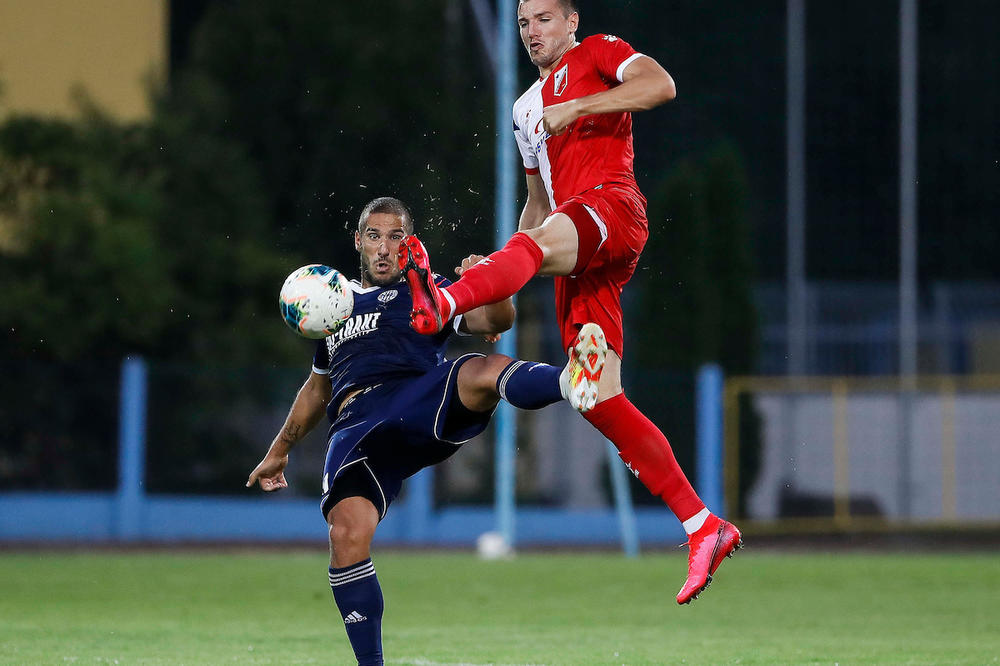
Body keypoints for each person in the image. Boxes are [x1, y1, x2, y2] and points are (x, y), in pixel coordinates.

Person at [400, 0, 741, 604]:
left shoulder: (599, 52)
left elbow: (661, 86)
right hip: (575, 245)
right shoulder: (524, 109)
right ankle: (702, 525)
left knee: (528, 254)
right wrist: (498, 272)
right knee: (597, 397)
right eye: (524, 22)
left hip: (611, 207)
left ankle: (443, 303)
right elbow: (537, 208)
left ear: (572, 21)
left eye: (544, 19)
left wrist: (579, 106)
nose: (532, 32)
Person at [247, 197, 572, 666]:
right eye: (374, 236)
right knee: (346, 535)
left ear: (409, 243)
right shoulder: (333, 307)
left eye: (395, 237)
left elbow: (496, 321)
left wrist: (491, 286)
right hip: (356, 428)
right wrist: (279, 449)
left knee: (480, 370)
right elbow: (317, 390)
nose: (384, 248)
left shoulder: (430, 290)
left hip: (418, 398)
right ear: (358, 241)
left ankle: (571, 382)